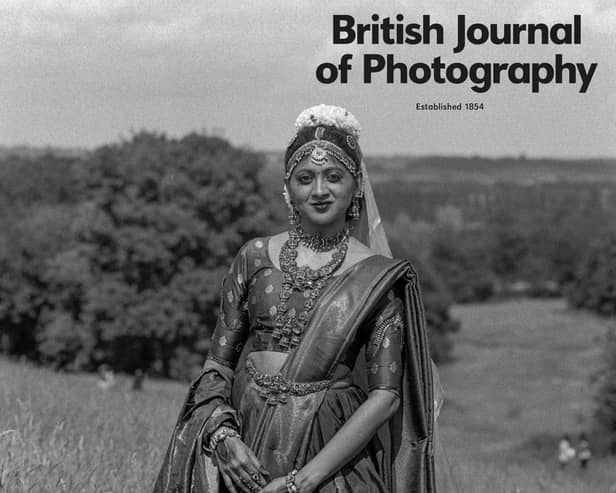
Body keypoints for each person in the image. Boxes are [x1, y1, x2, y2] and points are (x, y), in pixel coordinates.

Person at [153, 105, 446, 492]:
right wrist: (222, 435)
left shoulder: (376, 277)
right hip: (247, 447)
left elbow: (386, 397)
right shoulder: (254, 257)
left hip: (333, 459)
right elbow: (216, 366)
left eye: (334, 177)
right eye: (305, 178)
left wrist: (302, 482)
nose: (320, 190)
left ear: (356, 184)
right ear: (288, 188)